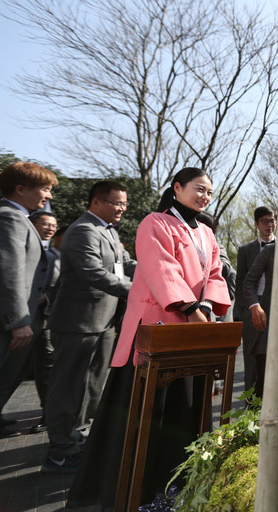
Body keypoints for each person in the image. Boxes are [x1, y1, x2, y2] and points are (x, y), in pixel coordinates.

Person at [67, 168, 230, 507]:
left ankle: (175, 487)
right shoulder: (154, 222)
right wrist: (190, 308)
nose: (204, 197)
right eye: (199, 189)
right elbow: (160, 269)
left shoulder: (206, 233)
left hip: (192, 329)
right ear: (177, 188)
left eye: (209, 192)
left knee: (183, 412)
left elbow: (215, 273)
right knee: (142, 412)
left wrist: (211, 305)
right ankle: (130, 489)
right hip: (158, 327)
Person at [43, 181, 135, 472]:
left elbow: (126, 264)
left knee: (93, 387)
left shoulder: (108, 231)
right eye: (116, 203)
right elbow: (93, 272)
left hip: (104, 322)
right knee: (69, 387)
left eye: (124, 204)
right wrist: (135, 290)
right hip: (78, 323)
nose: (121, 209)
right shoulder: (83, 230)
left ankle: (77, 438)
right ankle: (59, 451)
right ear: (96, 202)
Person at [0, 162, 56, 447]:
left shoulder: (14, 217)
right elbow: (8, 274)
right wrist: (19, 321)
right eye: (44, 189)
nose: (49, 196)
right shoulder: (6, 218)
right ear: (21, 190)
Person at [24, 211, 61, 434]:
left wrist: (47, 297)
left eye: (53, 225)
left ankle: (48, 413)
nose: (49, 228)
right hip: (18, 319)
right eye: (45, 224)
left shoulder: (57, 255)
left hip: (46, 318)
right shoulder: (25, 248)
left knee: (46, 367)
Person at [234, 206, 276, 393]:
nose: (270, 224)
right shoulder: (245, 250)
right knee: (251, 363)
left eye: (273, 220)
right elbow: (242, 281)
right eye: (265, 221)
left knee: (272, 361)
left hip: (275, 308)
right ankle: (249, 408)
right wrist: (242, 311)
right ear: (256, 223)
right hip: (252, 308)